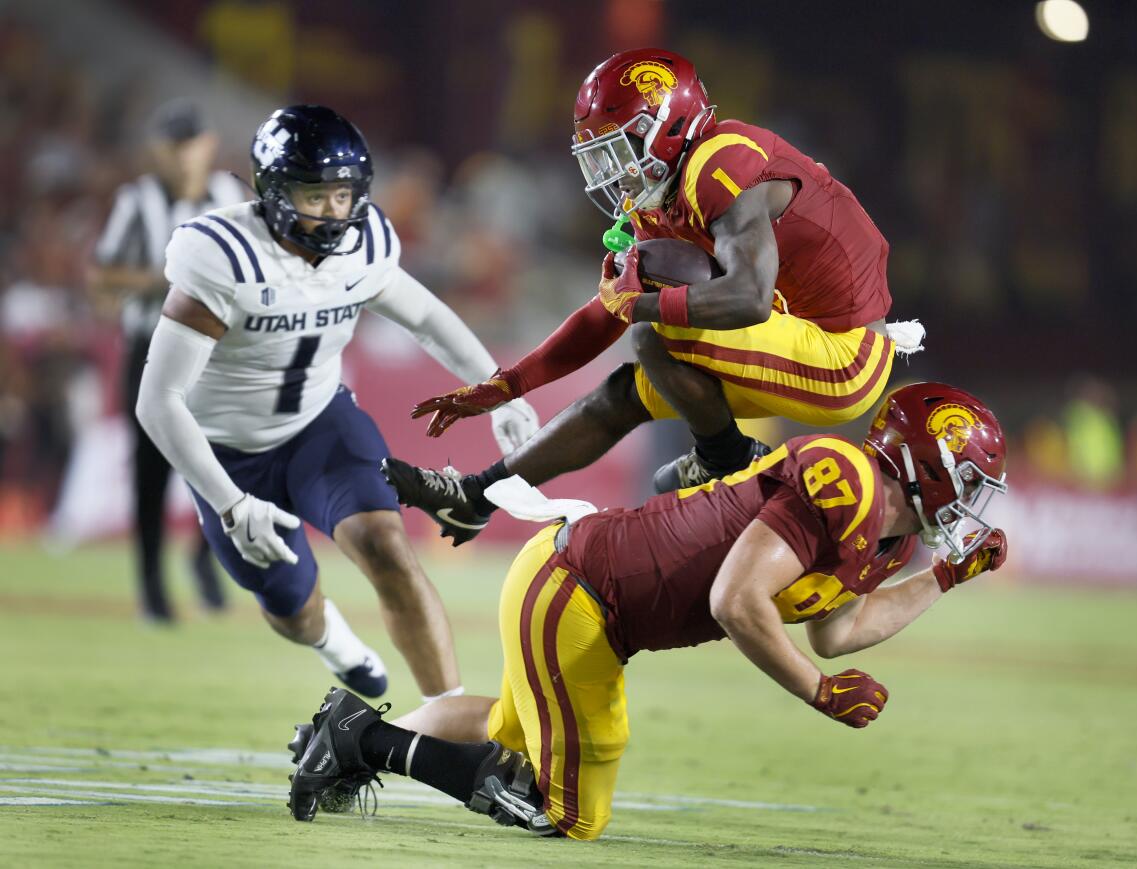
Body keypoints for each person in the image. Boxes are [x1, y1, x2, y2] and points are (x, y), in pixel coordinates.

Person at [288, 382, 1008, 840]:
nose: (972, 500)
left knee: (507, 724)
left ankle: (343, 735)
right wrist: (816, 693)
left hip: (586, 599)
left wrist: (943, 577)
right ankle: (362, 739)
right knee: (566, 813)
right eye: (970, 479)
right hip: (579, 592)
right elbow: (736, 600)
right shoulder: (844, 481)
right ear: (926, 460)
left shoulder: (881, 539)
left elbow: (838, 630)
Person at [385, 47, 922, 545]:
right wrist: (509, 384)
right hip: (797, 338)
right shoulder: (659, 194)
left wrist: (639, 306)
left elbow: (749, 298)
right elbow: (605, 315)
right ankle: (474, 499)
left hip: (845, 355)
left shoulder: (721, 163)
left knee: (652, 324)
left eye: (616, 148)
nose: (609, 170)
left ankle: (726, 457)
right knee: (624, 392)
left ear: (663, 128)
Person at [134, 105, 538, 698]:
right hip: (229, 455)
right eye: (313, 195)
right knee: (292, 608)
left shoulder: (365, 244)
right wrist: (228, 504)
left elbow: (424, 315)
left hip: (320, 425)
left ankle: (449, 718)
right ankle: (335, 644)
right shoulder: (224, 257)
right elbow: (157, 400)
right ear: (273, 190)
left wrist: (496, 389)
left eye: (343, 195)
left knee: (387, 545)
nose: (332, 210)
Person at [91, 99, 244, 622]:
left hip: (216, 350)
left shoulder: (228, 194)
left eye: (191, 144)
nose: (184, 156)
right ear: (160, 150)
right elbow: (103, 274)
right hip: (150, 345)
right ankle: (152, 586)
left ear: (208, 145)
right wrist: (166, 278)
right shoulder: (136, 200)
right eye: (174, 145)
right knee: (151, 470)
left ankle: (208, 558)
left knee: (229, 457)